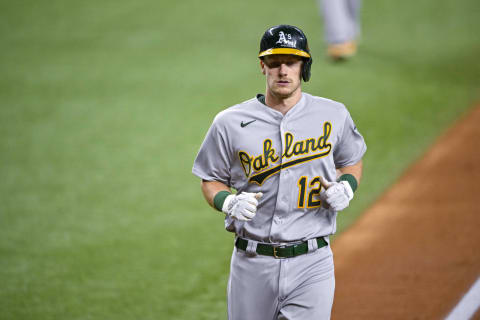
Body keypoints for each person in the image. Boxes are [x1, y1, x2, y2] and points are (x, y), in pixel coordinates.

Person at [192, 24, 366, 320]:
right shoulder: (229, 122)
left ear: (304, 67)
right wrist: (228, 202)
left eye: (291, 62)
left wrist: (347, 186)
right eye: (274, 63)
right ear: (263, 66)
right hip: (251, 264)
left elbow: (351, 160)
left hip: (312, 262)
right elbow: (211, 180)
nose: (282, 70)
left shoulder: (333, 114)